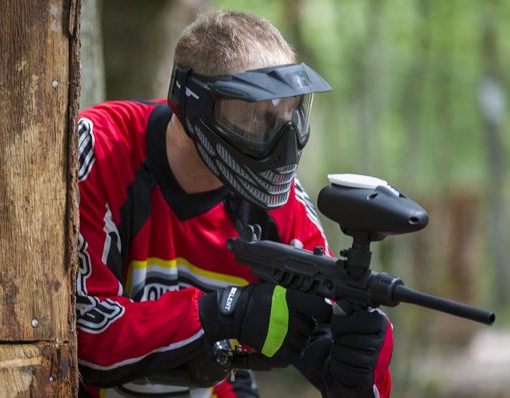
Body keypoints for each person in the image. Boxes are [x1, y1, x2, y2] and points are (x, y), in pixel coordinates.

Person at [76, 10, 393, 398]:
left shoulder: (279, 199)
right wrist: (223, 313)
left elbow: (324, 315)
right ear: (195, 105)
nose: (282, 145)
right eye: (255, 118)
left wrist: (351, 364)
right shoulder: (101, 151)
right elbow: (81, 337)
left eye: (289, 115)